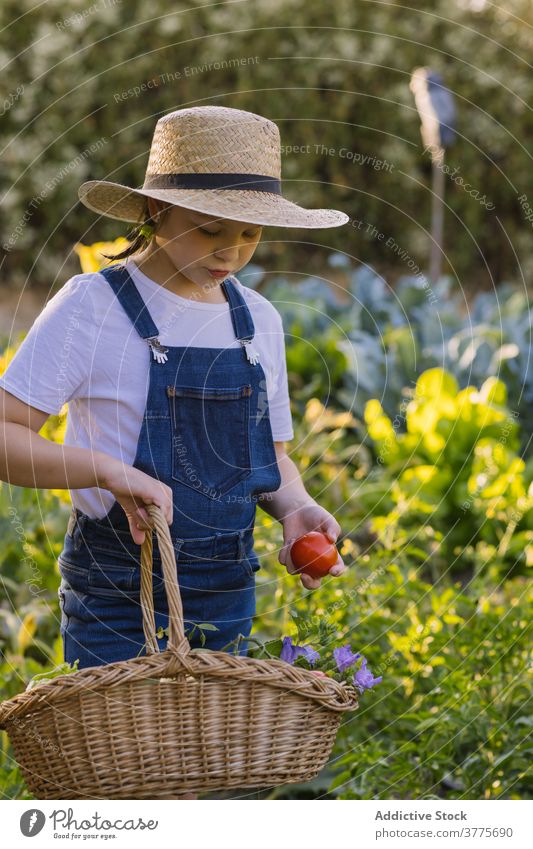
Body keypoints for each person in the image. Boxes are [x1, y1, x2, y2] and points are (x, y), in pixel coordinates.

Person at [0, 105, 350, 674]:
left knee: (204, 759)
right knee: (116, 758)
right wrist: (106, 472)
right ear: (157, 210)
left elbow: (272, 458)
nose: (230, 252)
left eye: (249, 233)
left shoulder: (257, 319)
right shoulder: (93, 306)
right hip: (116, 588)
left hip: (225, 592)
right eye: (211, 228)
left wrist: (297, 507)